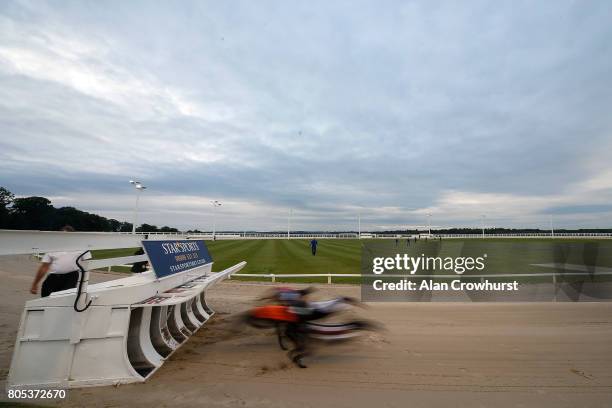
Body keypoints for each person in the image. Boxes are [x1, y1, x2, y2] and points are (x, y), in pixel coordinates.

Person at [30, 226, 92, 297]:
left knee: (63, 299)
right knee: (46, 297)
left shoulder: (81, 246)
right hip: (53, 277)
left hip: (70, 277)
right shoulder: (52, 247)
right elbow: (44, 267)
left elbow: (88, 263)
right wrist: (35, 284)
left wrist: (84, 285)